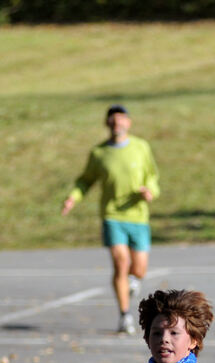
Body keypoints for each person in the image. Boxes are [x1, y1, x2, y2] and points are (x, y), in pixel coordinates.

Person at [62, 105, 160, 334]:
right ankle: (125, 316)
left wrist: (150, 192)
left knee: (139, 269)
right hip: (112, 216)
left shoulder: (141, 147)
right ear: (107, 124)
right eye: (113, 121)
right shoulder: (99, 153)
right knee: (121, 263)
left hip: (138, 216)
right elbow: (85, 181)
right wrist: (72, 198)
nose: (118, 125)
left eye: (121, 120)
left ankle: (133, 282)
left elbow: (152, 176)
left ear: (129, 123)